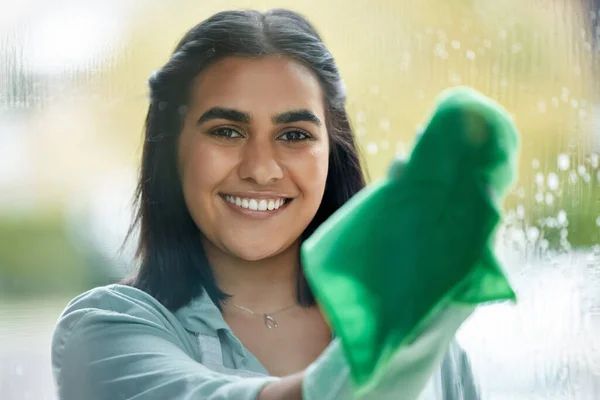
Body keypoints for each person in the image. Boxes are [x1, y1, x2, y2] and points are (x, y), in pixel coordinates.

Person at [51, 8, 479, 400]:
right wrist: (378, 362)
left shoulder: (420, 335)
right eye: (226, 131)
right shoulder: (103, 332)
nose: (261, 169)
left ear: (333, 154)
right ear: (171, 152)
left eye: (294, 134)